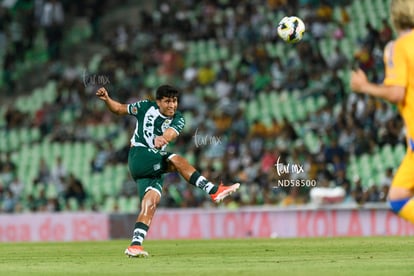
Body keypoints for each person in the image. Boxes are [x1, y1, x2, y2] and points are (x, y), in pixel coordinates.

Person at [96, 85, 240, 257]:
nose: (172, 105)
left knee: (150, 203)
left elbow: (171, 133)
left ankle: (135, 245)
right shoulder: (145, 107)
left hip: (152, 164)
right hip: (139, 155)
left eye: (175, 101)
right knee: (176, 160)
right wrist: (107, 100)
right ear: (158, 102)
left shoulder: (178, 118)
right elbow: (119, 109)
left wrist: (164, 138)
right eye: (167, 102)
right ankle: (213, 190)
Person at [350, 0, 414, 224]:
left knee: (398, 200)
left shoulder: (399, 47)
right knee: (398, 197)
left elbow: (397, 93)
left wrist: (364, 86)